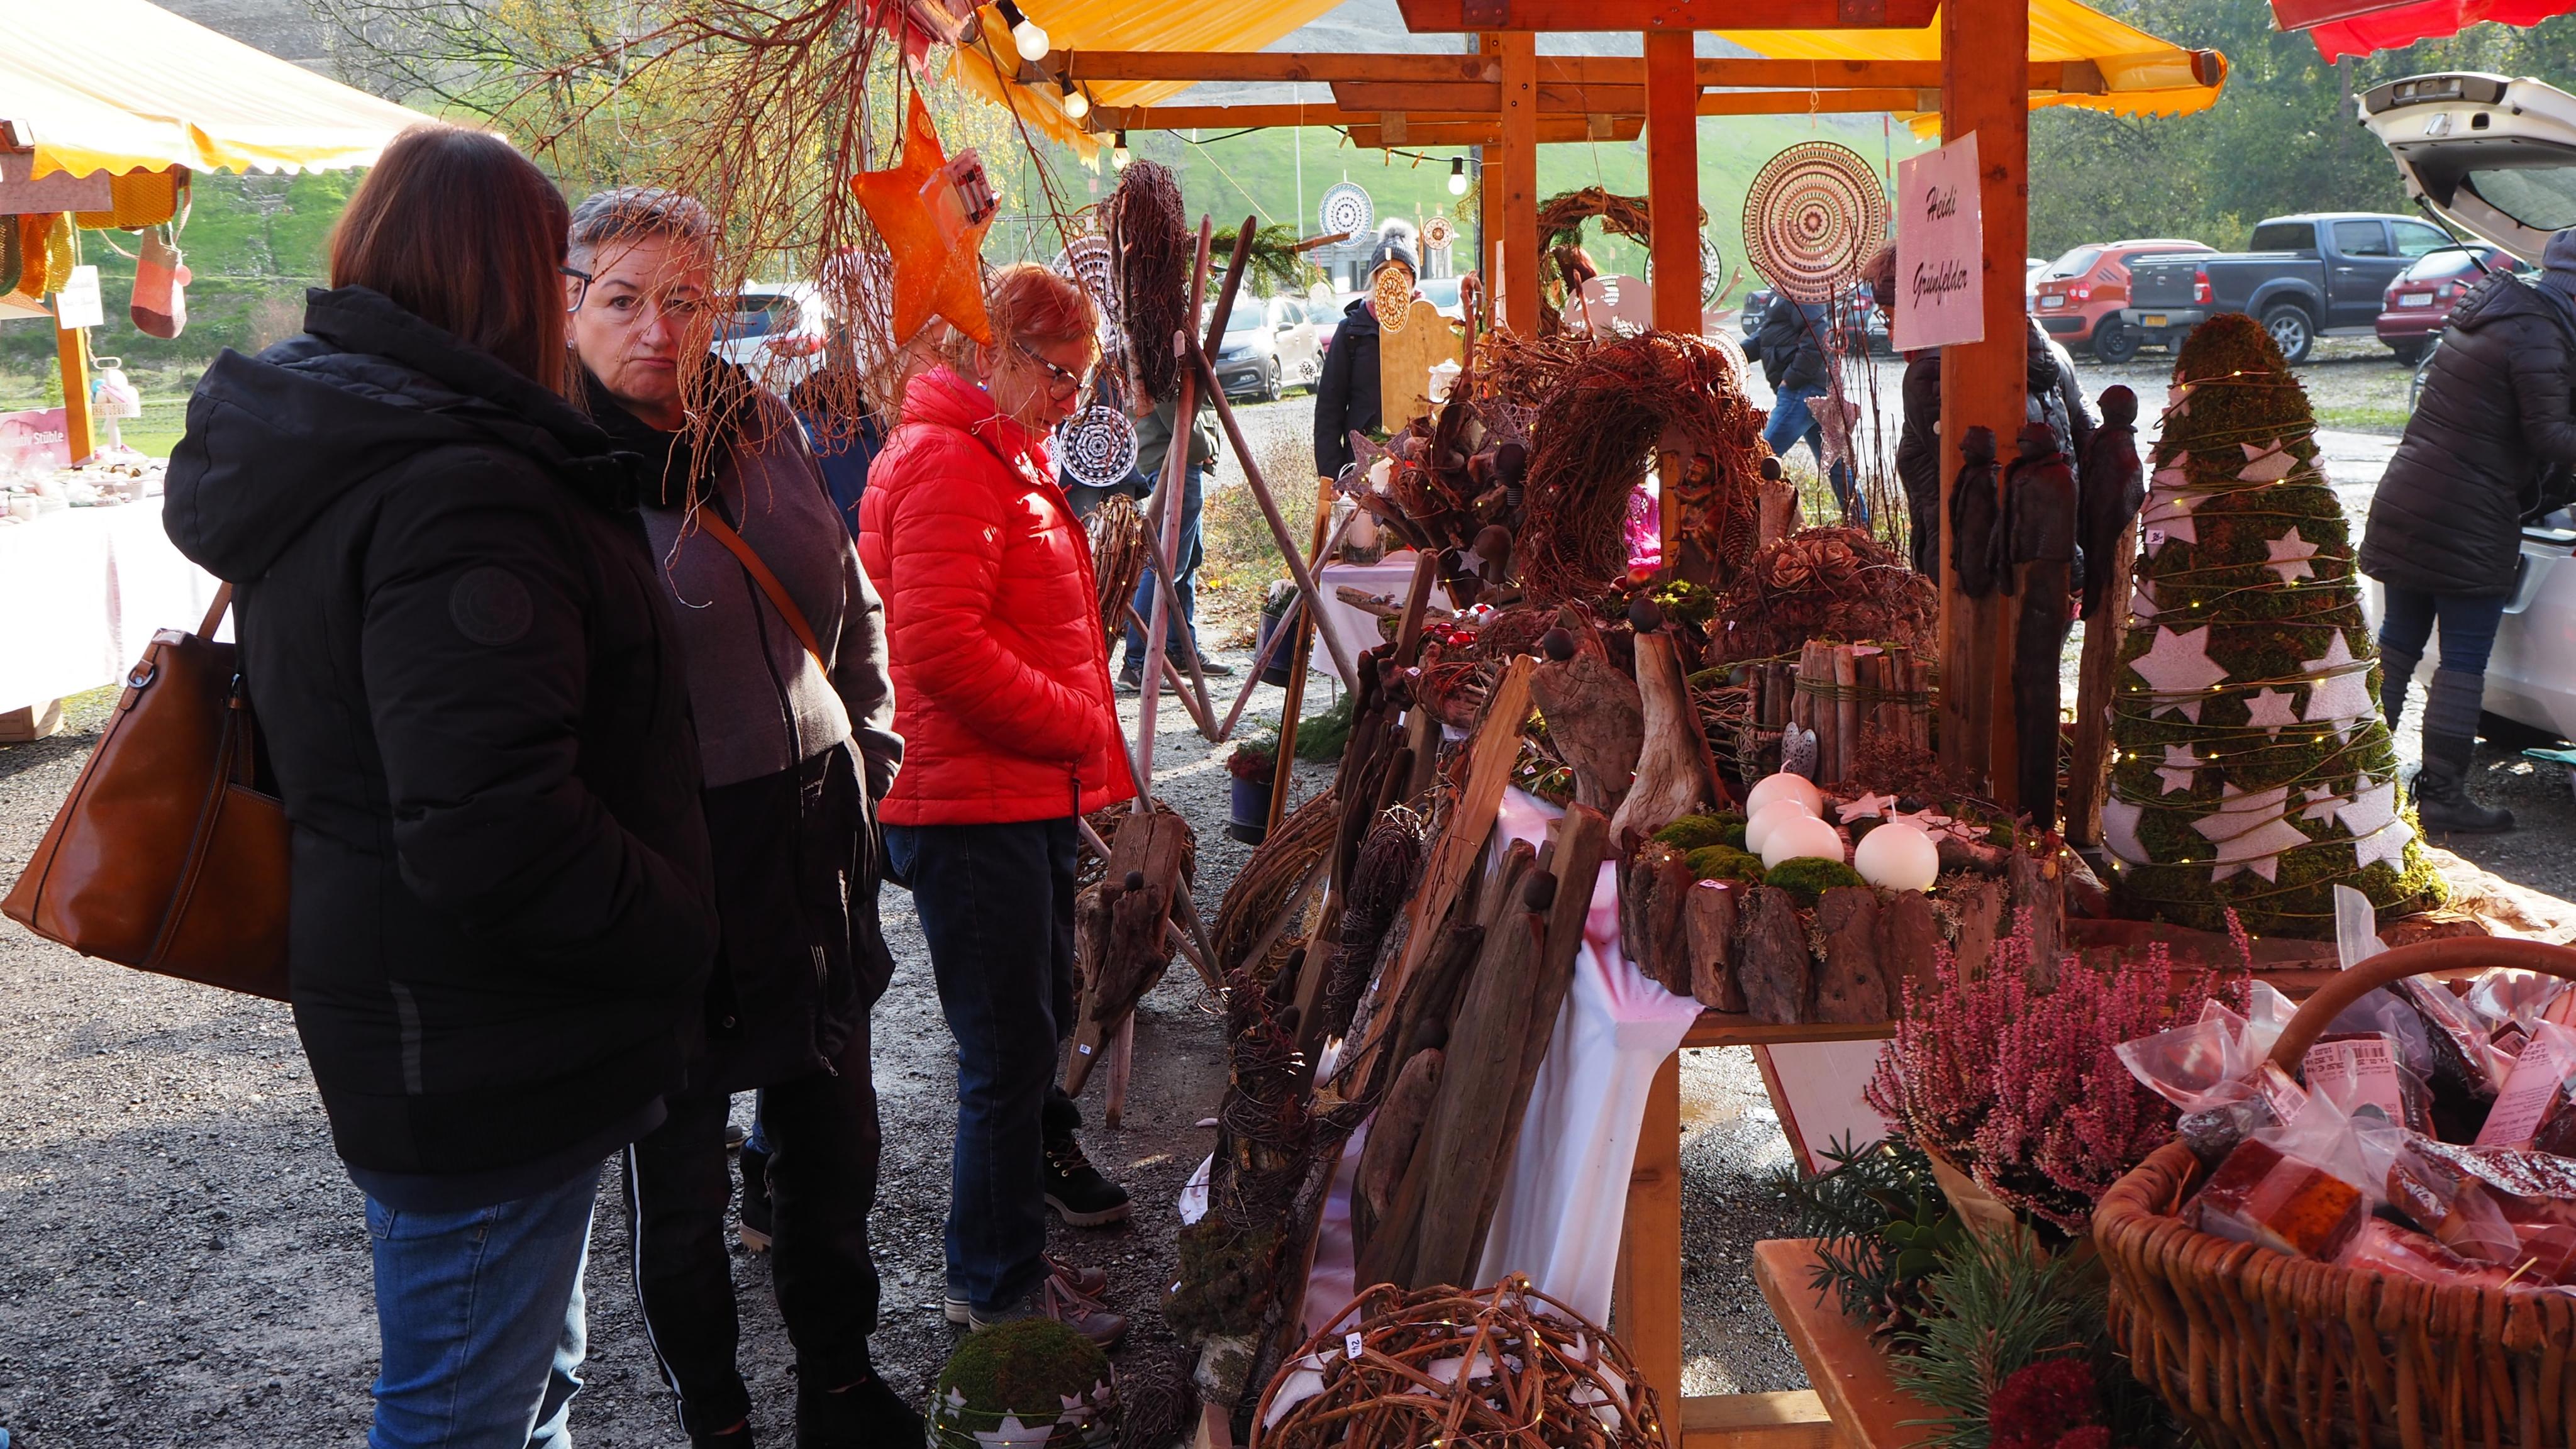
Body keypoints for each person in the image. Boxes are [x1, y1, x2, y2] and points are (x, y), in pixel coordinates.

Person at [162, 125, 719, 1448]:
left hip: (443, 1014)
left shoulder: (364, 438)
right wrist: (677, 923)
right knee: (460, 1416)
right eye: (558, 269)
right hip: (483, 1040)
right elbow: (490, 825)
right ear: (510, 279)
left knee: (517, 1394)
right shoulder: (459, 484)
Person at [562, 188, 915, 1446]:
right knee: (679, 1174)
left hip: (811, 839)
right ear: (569, 304)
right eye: (623, 300)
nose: (658, 329)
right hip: (666, 857)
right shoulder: (551, 462)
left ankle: (838, 1380)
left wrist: (869, 745)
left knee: (834, 1140)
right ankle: (714, 1416)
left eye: (684, 299)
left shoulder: (757, 423)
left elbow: (848, 594)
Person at [859, 264, 1135, 1346]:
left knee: (1025, 1039)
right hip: (968, 808)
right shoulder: (948, 460)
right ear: (992, 354)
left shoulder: (990, 450)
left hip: (1005, 794)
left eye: (1081, 379)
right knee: (1006, 1053)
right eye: (1058, 375)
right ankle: (995, 1288)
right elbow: (939, 648)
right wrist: (1077, 722)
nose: (1071, 399)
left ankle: (1009, 1263)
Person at [2361, 228, 2576, 833]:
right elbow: (2550, 437)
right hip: (2469, 515)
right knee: (2462, 659)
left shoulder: (2496, 314)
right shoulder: (2541, 333)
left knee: (2398, 642)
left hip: (2410, 496)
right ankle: (2443, 798)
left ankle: (2355, 784)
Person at [1120, 389, 1231, 689]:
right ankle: (1138, 662)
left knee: (1187, 558)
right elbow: (1171, 401)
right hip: (1174, 455)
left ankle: (1180, 651)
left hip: (1175, 454)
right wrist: (1200, 446)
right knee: (1164, 565)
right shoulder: (1167, 354)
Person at [1755, 291, 1864, 526]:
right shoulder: (1783, 292)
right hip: (1811, 387)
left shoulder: (1802, 290)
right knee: (1837, 464)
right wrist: (1731, 350)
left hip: (1802, 390)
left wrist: (1792, 378)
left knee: (1761, 459)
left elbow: (1817, 338)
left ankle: (1742, 530)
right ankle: (1861, 528)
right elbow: (1767, 337)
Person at [1314, 228, 1414, 480]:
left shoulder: (1429, 327)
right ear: (1374, 278)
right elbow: (1329, 408)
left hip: (1420, 461)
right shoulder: (1352, 332)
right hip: (1364, 462)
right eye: (1385, 272)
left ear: (1413, 279)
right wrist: (1333, 475)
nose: (1394, 280)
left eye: (1403, 272)